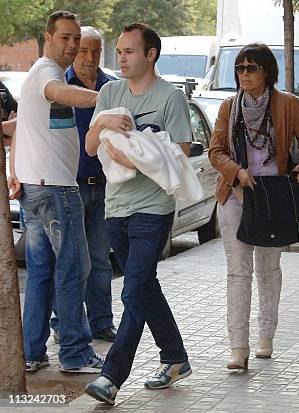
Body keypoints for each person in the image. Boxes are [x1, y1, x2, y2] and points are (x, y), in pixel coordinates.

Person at [83, 23, 192, 405]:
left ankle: (111, 378)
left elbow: (180, 152)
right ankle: (175, 356)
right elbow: (90, 144)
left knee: (133, 289)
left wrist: (138, 156)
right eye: (120, 51)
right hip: (116, 208)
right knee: (144, 287)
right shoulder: (110, 92)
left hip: (153, 209)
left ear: (151, 54)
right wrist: (103, 122)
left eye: (130, 51)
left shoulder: (170, 98)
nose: (121, 57)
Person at [208, 43, 299, 370]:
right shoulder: (229, 108)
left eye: (250, 68)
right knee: (238, 273)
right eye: (240, 69)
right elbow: (216, 151)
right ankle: (237, 347)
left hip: (273, 197)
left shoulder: (288, 105)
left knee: (268, 270)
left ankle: (266, 336)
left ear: (266, 72)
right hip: (237, 195)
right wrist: (236, 172)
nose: (243, 74)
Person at [8, 10, 103, 373]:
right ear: (48, 37)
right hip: (56, 190)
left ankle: (32, 353)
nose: (73, 45)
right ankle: (75, 354)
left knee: (43, 273)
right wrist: (102, 97)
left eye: (76, 39)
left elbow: (20, 126)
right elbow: (59, 92)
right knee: (73, 268)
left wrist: (15, 171)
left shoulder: (37, 73)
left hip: (37, 188)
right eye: (65, 37)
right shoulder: (48, 73)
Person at [49, 26, 118, 343]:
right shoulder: (60, 86)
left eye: (96, 51)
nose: (90, 57)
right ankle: (64, 323)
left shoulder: (112, 87)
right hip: (67, 187)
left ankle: (102, 322)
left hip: (103, 187)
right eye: (83, 50)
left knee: (101, 260)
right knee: (71, 262)